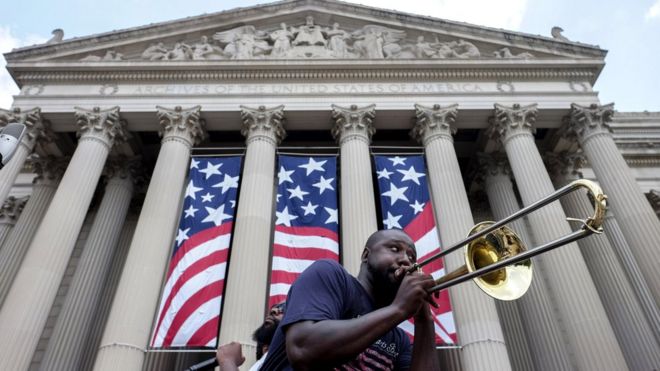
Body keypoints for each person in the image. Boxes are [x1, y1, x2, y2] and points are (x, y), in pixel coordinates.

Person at [260, 229, 440, 370]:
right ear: (366, 256)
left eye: (412, 257)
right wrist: (399, 309)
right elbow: (303, 349)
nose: (406, 261)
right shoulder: (331, 275)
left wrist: (424, 320)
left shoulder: (398, 339)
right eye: (394, 249)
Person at [213, 302, 287, 371]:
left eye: (284, 307)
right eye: (274, 307)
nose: (273, 310)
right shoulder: (267, 361)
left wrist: (227, 361)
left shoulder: (293, 359)